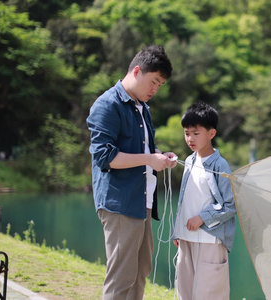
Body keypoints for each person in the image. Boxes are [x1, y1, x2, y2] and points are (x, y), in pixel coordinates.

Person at [86, 45, 177, 300]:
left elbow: (142, 149)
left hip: (142, 202)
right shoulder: (107, 105)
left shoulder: (142, 108)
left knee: (140, 272)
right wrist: (149, 159)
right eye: (154, 82)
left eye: (160, 86)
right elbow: (105, 156)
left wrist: (160, 155)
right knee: (121, 277)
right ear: (137, 71)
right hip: (120, 203)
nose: (155, 90)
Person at [172, 102, 237, 300]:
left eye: (195, 133)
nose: (190, 138)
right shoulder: (189, 160)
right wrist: (177, 230)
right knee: (184, 289)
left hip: (210, 237)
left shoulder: (220, 164)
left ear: (211, 133)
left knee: (210, 292)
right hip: (186, 236)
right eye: (186, 133)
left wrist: (202, 217)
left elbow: (230, 205)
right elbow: (185, 199)